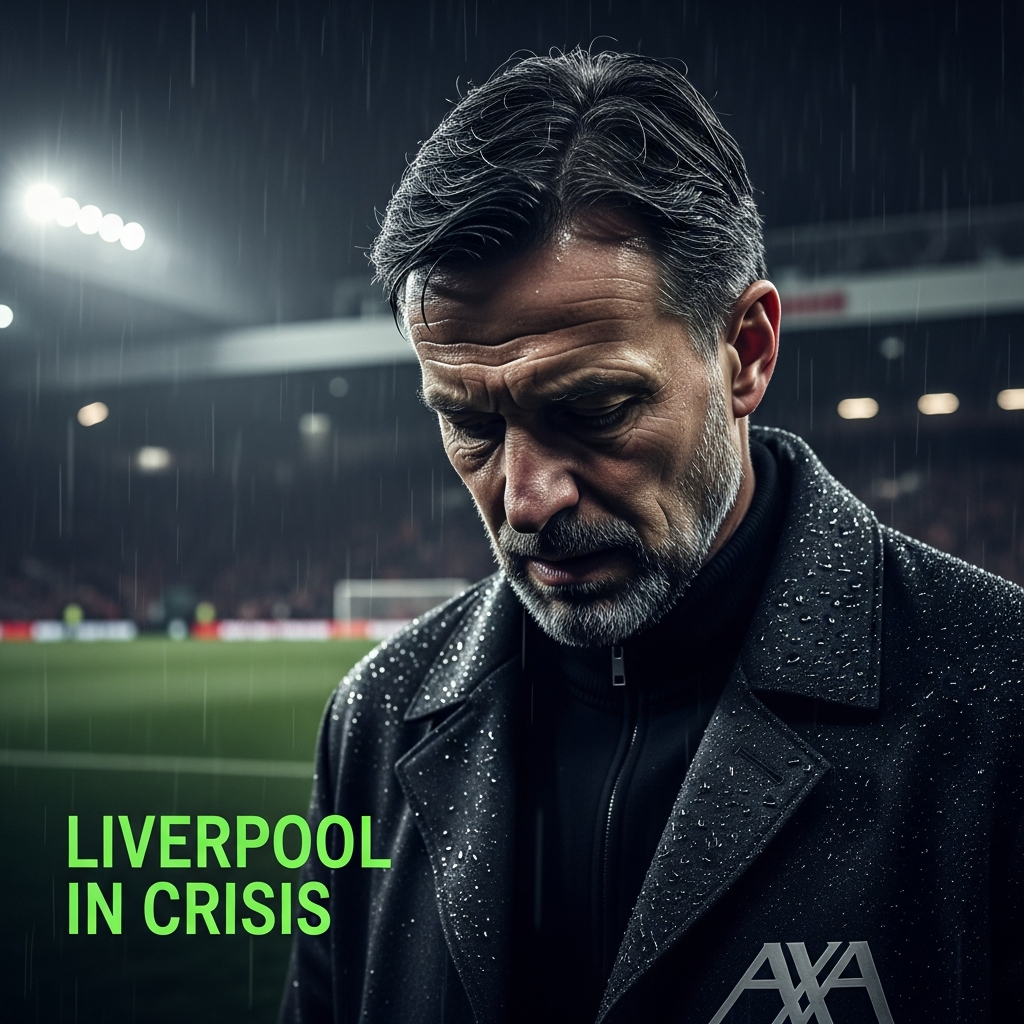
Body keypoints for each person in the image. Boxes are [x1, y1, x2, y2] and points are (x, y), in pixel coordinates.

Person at [279, 50, 1023, 1024]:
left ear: (746, 350)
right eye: (468, 422)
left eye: (592, 407)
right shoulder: (375, 717)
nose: (527, 498)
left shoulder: (998, 699)